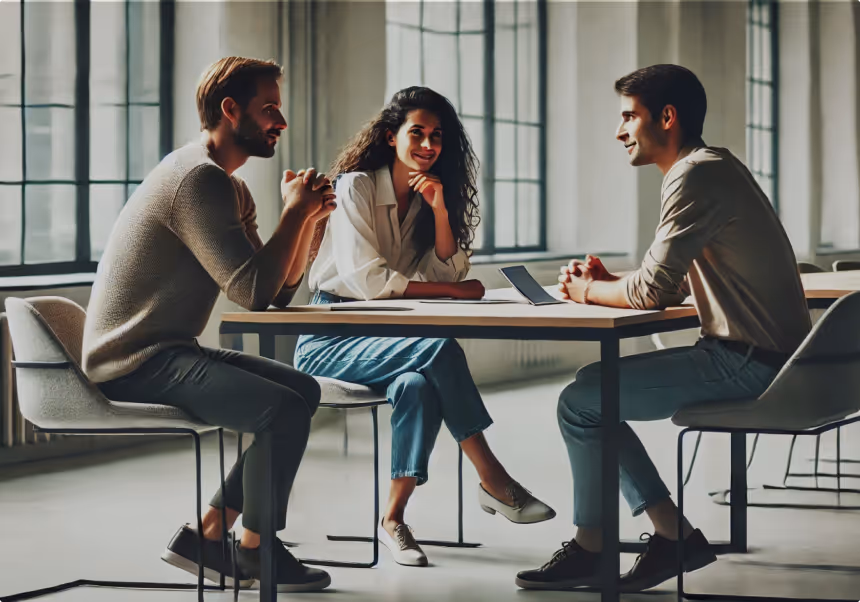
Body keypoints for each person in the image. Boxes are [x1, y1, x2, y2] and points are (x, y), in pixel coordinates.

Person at [516, 64, 811, 592]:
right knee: (589, 389)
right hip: (773, 358)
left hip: (748, 363)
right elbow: (667, 283)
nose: (619, 130)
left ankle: (601, 546)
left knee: (582, 400)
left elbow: (650, 293)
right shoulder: (715, 167)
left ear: (667, 117)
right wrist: (611, 281)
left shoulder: (692, 174)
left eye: (630, 116)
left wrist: (588, 291)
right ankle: (658, 538)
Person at [81, 57, 337, 592]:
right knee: (282, 409)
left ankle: (210, 531)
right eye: (269, 109)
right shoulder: (198, 179)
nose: (281, 123)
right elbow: (250, 290)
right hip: (134, 360)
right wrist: (293, 211)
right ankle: (255, 549)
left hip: (168, 350)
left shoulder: (230, 187)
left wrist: (307, 220)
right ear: (230, 110)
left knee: (301, 388)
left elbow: (272, 293)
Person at [294, 86, 555, 567]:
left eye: (437, 137)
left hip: (390, 342)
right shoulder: (356, 186)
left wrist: (437, 208)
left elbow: (446, 272)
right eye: (418, 133)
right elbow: (370, 282)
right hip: (329, 340)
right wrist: (454, 294)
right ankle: (493, 477)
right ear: (392, 135)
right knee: (437, 348)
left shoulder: (423, 195)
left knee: (416, 385)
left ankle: (392, 520)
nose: (428, 145)